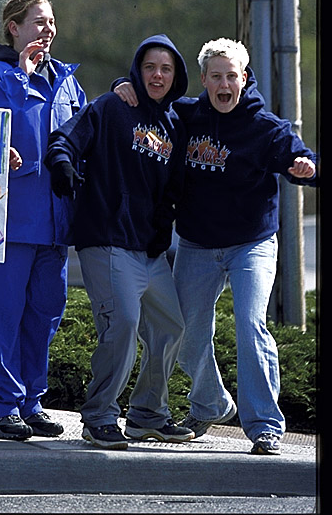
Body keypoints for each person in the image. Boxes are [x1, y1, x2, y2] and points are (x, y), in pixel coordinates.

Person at [113, 37, 318, 456]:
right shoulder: (186, 115)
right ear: (204, 80)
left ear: (244, 78)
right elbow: (150, 100)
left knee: (249, 324)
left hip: (252, 245)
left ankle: (263, 425)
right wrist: (123, 84)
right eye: (216, 77)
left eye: (232, 76)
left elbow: (301, 158)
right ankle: (210, 402)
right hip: (197, 243)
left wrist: (307, 168)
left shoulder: (266, 128)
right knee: (184, 331)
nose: (225, 84)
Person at [45, 34, 195, 450]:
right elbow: (65, 138)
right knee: (124, 325)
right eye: (149, 67)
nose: (157, 75)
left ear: (176, 75)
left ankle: (148, 414)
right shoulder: (112, 107)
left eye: (166, 69)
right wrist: (61, 164)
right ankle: (99, 416)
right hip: (107, 240)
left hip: (149, 250)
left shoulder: (174, 124)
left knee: (171, 326)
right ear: (137, 70)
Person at [0, 0, 87, 441]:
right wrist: (22, 77)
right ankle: (0, 407)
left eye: (52, 21)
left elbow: (84, 134)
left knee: (44, 314)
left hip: (55, 225)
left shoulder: (67, 80)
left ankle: (31, 402)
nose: (48, 29)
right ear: (14, 28)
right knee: (4, 317)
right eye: (39, 21)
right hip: (7, 223)